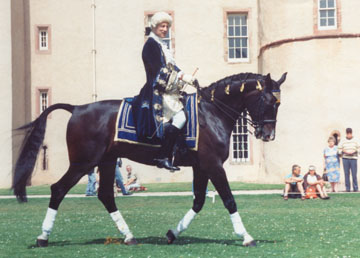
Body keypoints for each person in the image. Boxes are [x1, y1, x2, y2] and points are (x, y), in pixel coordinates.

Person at [132, 11, 196, 172]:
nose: (165, 29)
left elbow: (172, 68)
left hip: (167, 91)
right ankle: (163, 155)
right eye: (162, 26)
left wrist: (186, 76)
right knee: (180, 118)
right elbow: (159, 72)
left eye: (167, 26)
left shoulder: (161, 45)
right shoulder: (151, 45)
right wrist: (179, 79)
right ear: (154, 27)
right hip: (157, 91)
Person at [338, 128, 359, 192]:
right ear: (346, 133)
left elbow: (359, 148)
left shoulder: (356, 140)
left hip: (353, 158)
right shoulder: (343, 140)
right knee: (346, 174)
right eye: (348, 133)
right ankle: (347, 188)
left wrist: (354, 151)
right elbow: (339, 149)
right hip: (345, 158)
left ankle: (355, 188)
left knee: (354, 174)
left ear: (351, 133)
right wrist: (344, 151)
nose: (349, 135)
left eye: (350, 133)